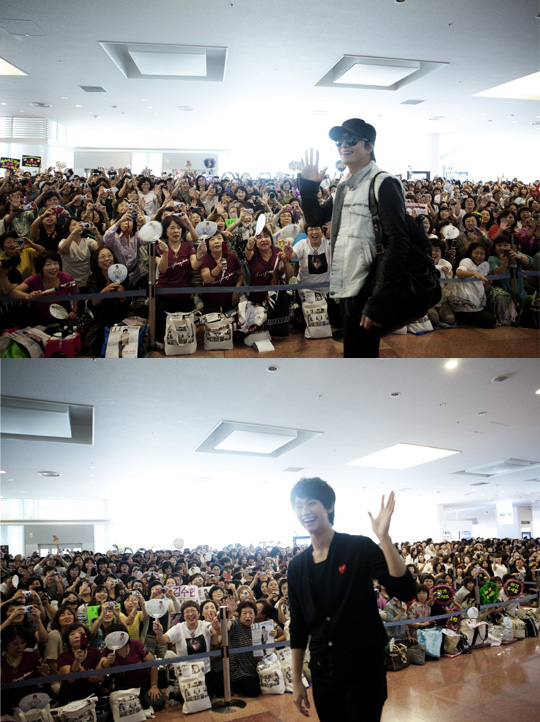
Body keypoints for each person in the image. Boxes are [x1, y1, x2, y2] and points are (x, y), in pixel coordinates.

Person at [288, 477, 415, 722]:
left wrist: (384, 538)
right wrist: (296, 680)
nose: (304, 511)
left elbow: (405, 590)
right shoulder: (297, 566)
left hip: (363, 669)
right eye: (298, 505)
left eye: (311, 503)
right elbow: (299, 626)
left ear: (329, 506)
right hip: (323, 671)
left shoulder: (358, 547)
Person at [298, 119, 413, 357]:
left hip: (369, 285)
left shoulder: (383, 183)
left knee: (363, 358)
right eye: (340, 141)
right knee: (354, 355)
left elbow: (398, 243)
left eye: (351, 140)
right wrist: (308, 188)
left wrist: (379, 300)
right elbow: (316, 218)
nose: (344, 145)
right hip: (348, 281)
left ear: (370, 146)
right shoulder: (345, 184)